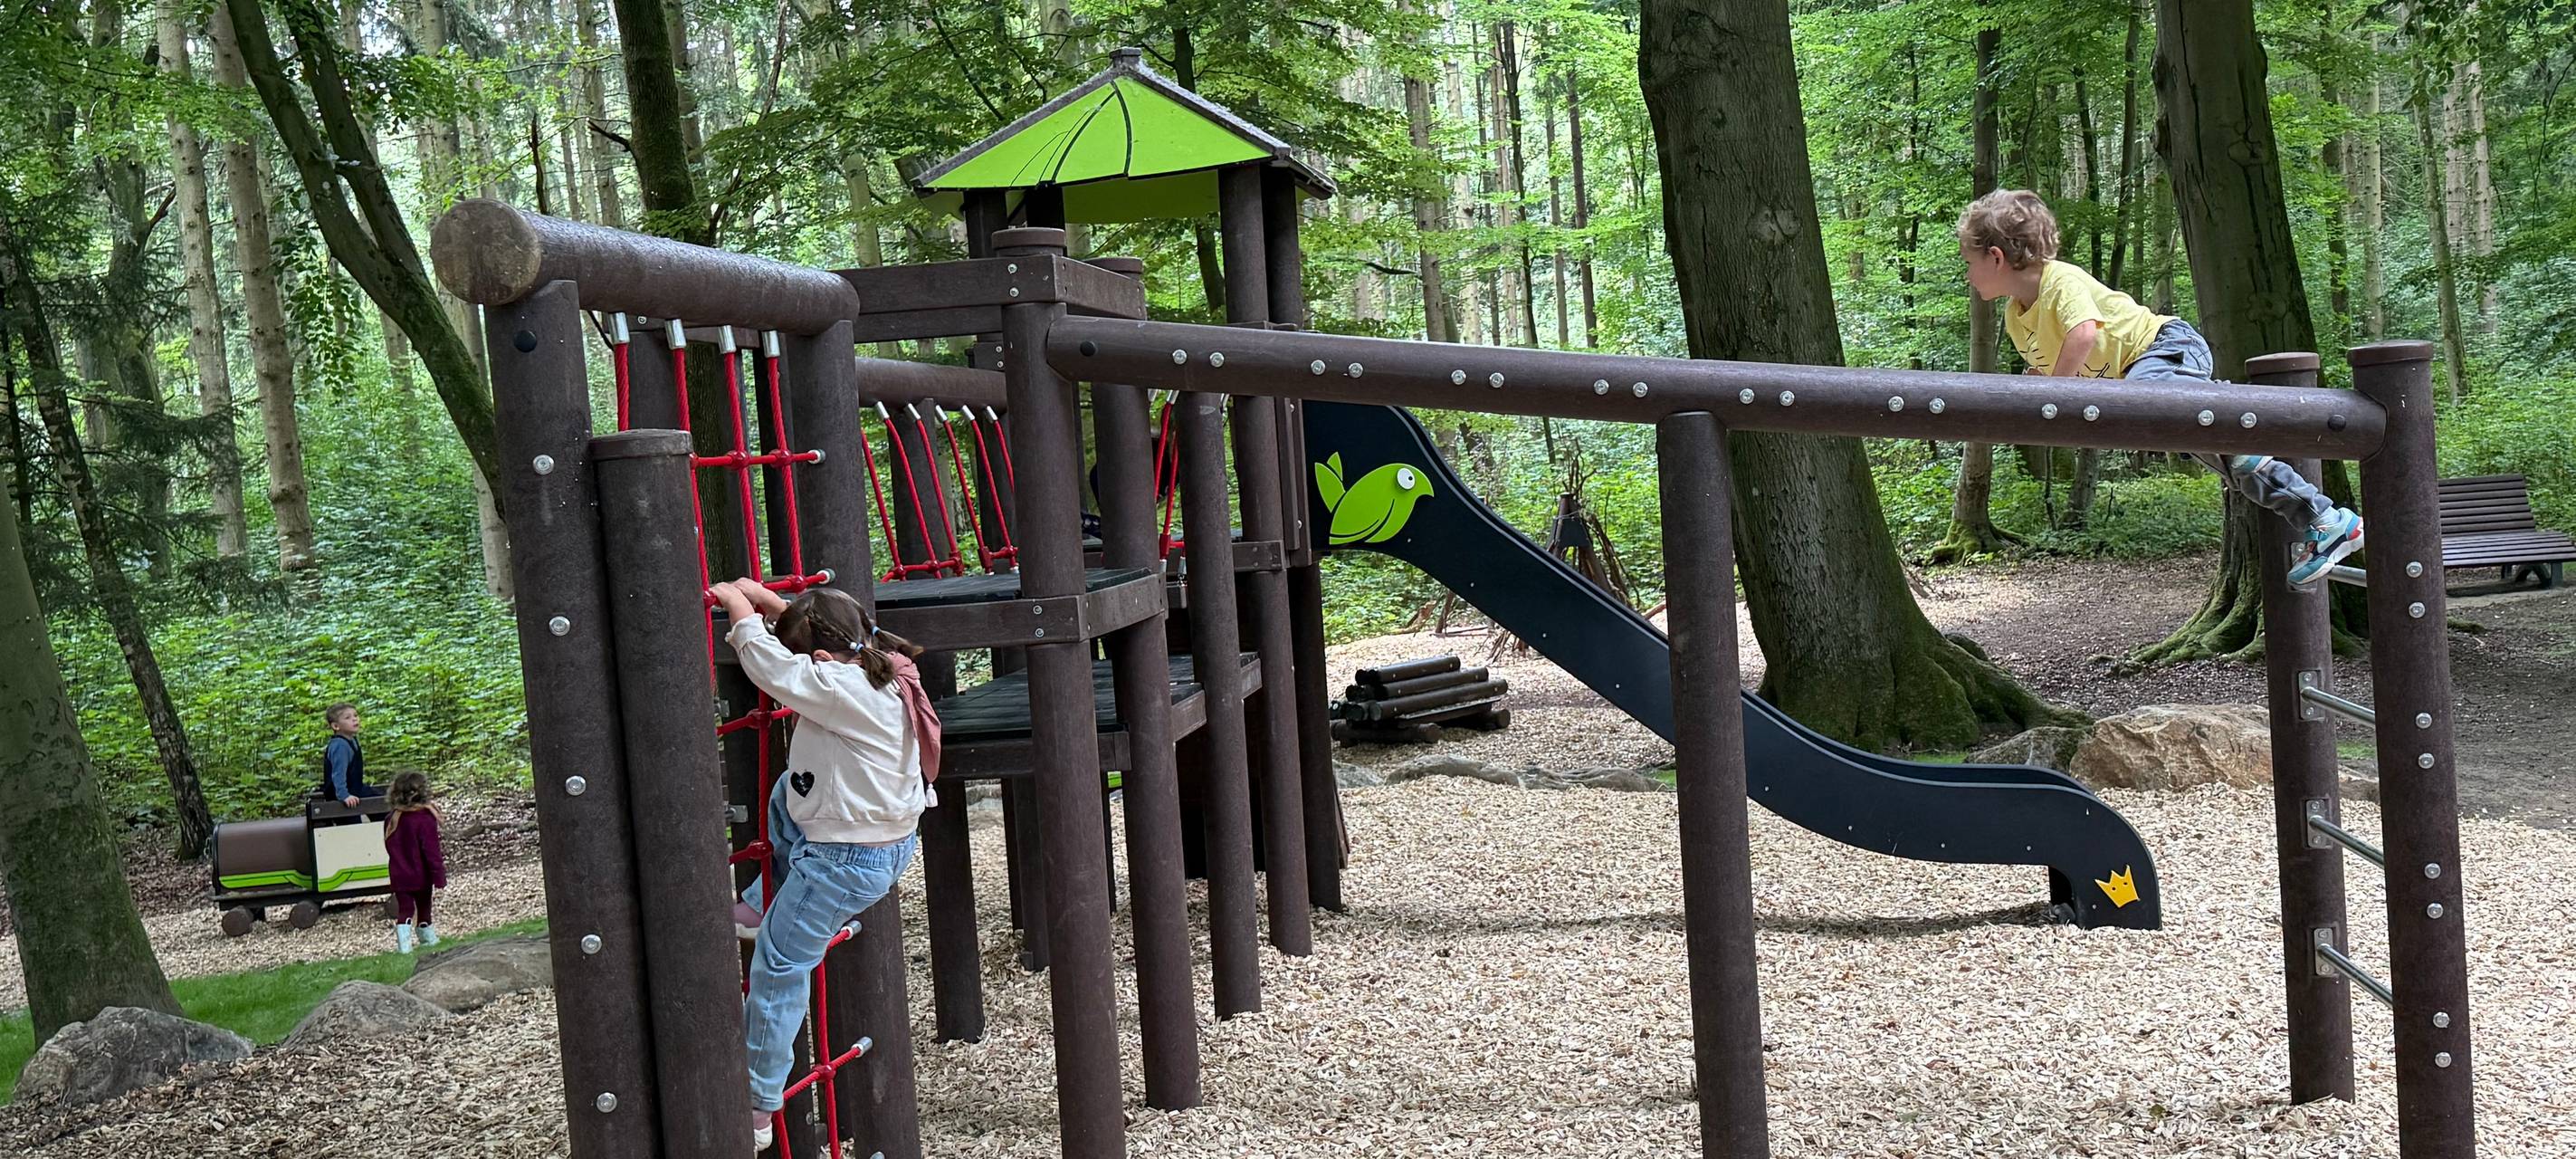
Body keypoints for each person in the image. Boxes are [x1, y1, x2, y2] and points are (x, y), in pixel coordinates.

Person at [1956, 189, 2367, 586]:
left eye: (1969, 262)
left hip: (2167, 349)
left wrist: (2053, 396)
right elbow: (2048, 370)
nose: (1967, 274)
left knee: (2152, 402)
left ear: (1996, 257)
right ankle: (2326, 520)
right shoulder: (2015, 316)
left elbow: (2082, 334)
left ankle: (2226, 410)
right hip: (2142, 380)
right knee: (2237, 462)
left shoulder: (2059, 281)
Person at [705, 579, 939, 1150]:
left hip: (840, 862)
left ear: (822, 661)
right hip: (880, 839)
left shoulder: (839, 685)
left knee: (780, 965)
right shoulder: (881, 666)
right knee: (788, 792)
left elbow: (773, 671)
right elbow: (822, 647)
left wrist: (740, 614)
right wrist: (781, 610)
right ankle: (762, 902)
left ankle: (757, 1102)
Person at [382, 771, 447, 953]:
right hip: (421, 875)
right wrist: (439, 876)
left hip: (399, 874)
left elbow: (390, 846)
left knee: (405, 909)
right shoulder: (425, 819)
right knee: (424, 907)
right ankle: (427, 936)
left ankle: (404, 945)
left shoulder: (392, 819)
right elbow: (432, 851)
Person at [317, 703, 381, 823]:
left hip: (355, 788)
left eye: (355, 715)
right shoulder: (339, 746)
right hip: (341, 795)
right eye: (348, 718)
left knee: (381, 804)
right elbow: (338, 774)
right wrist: (344, 795)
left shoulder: (352, 740)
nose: (354, 719)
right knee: (350, 825)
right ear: (336, 726)